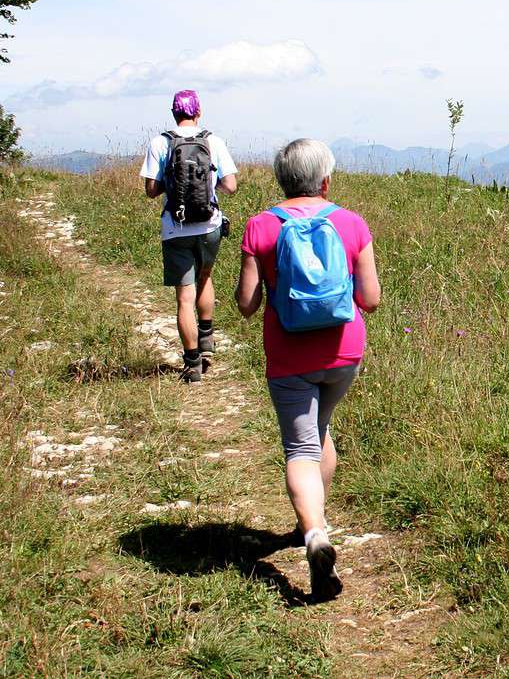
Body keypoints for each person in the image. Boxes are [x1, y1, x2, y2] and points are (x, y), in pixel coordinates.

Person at [234, 138, 381, 599]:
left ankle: (314, 532)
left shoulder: (261, 226)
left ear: (280, 179)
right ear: (326, 180)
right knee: (321, 430)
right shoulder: (351, 223)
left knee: (300, 445)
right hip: (343, 353)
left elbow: (245, 304)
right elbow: (371, 300)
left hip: (289, 355)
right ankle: (315, 520)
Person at [140, 90, 239, 383]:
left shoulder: (160, 142)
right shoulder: (213, 141)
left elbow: (150, 190)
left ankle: (192, 364)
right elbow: (231, 186)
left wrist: (172, 186)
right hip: (209, 225)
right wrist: (209, 186)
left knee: (184, 297)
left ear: (173, 112)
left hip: (175, 228)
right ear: (199, 111)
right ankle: (207, 337)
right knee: (205, 277)